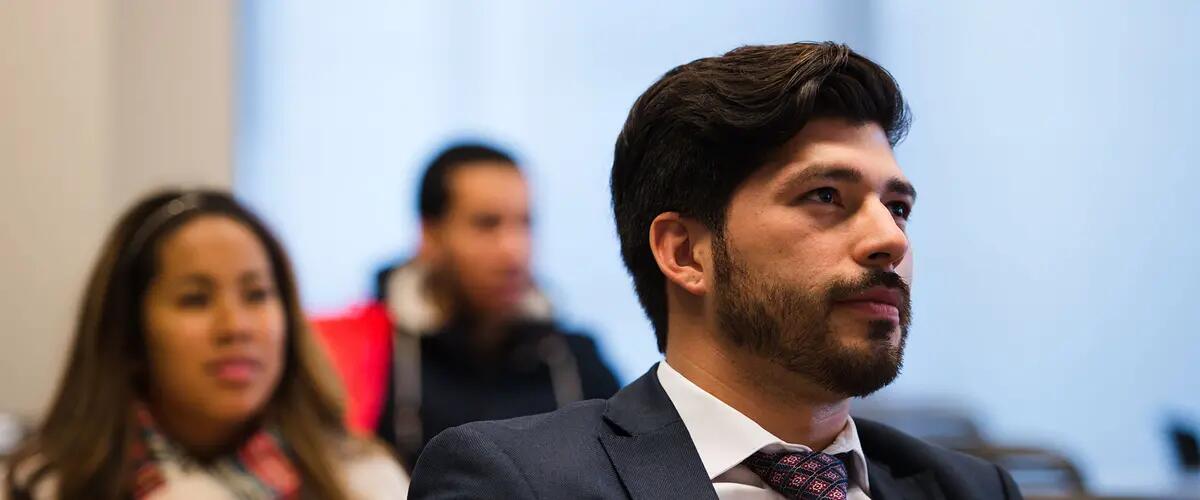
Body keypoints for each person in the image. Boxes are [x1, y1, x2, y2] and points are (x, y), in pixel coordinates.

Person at [409, 42, 1023, 499]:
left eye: (898, 208)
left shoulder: (973, 489)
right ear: (685, 252)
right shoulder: (517, 482)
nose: (890, 239)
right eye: (826, 196)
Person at [3, 190, 408, 499]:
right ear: (128, 330)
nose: (235, 327)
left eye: (257, 295)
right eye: (195, 299)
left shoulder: (364, 481)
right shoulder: (41, 486)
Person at [313, 143, 620, 466]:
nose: (513, 251)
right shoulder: (369, 355)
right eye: (487, 224)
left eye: (524, 223)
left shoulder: (574, 361)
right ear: (429, 235)